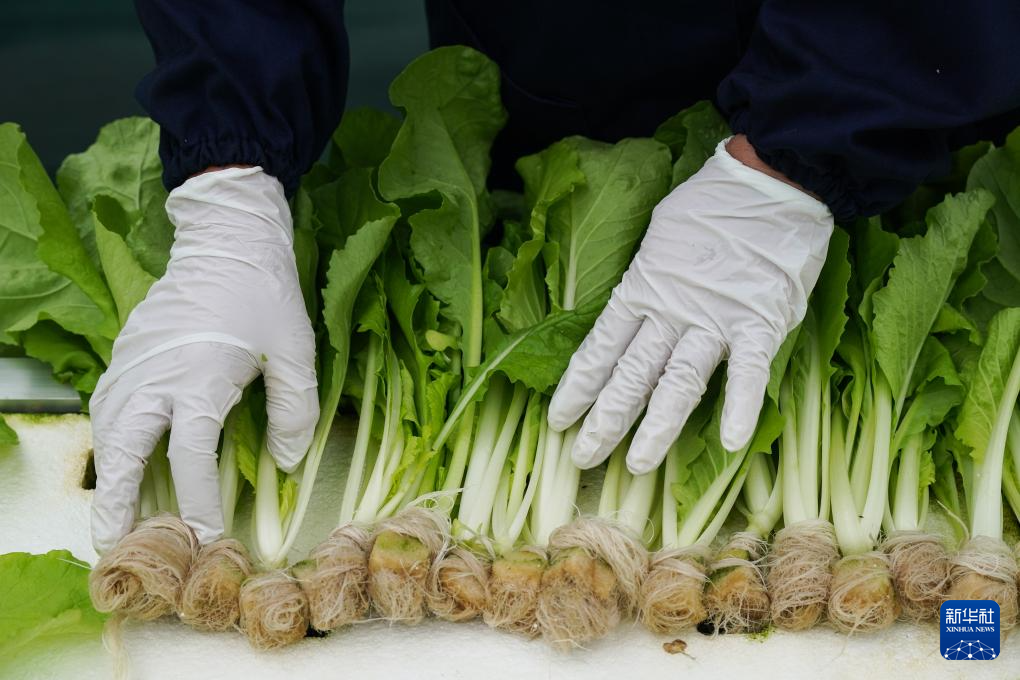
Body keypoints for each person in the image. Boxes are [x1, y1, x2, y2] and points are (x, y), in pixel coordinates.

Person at [90, 0, 1020, 553]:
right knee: (565, 239)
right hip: (571, 55)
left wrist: (811, 154)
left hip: (897, 71)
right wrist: (229, 167)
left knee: (901, 237)